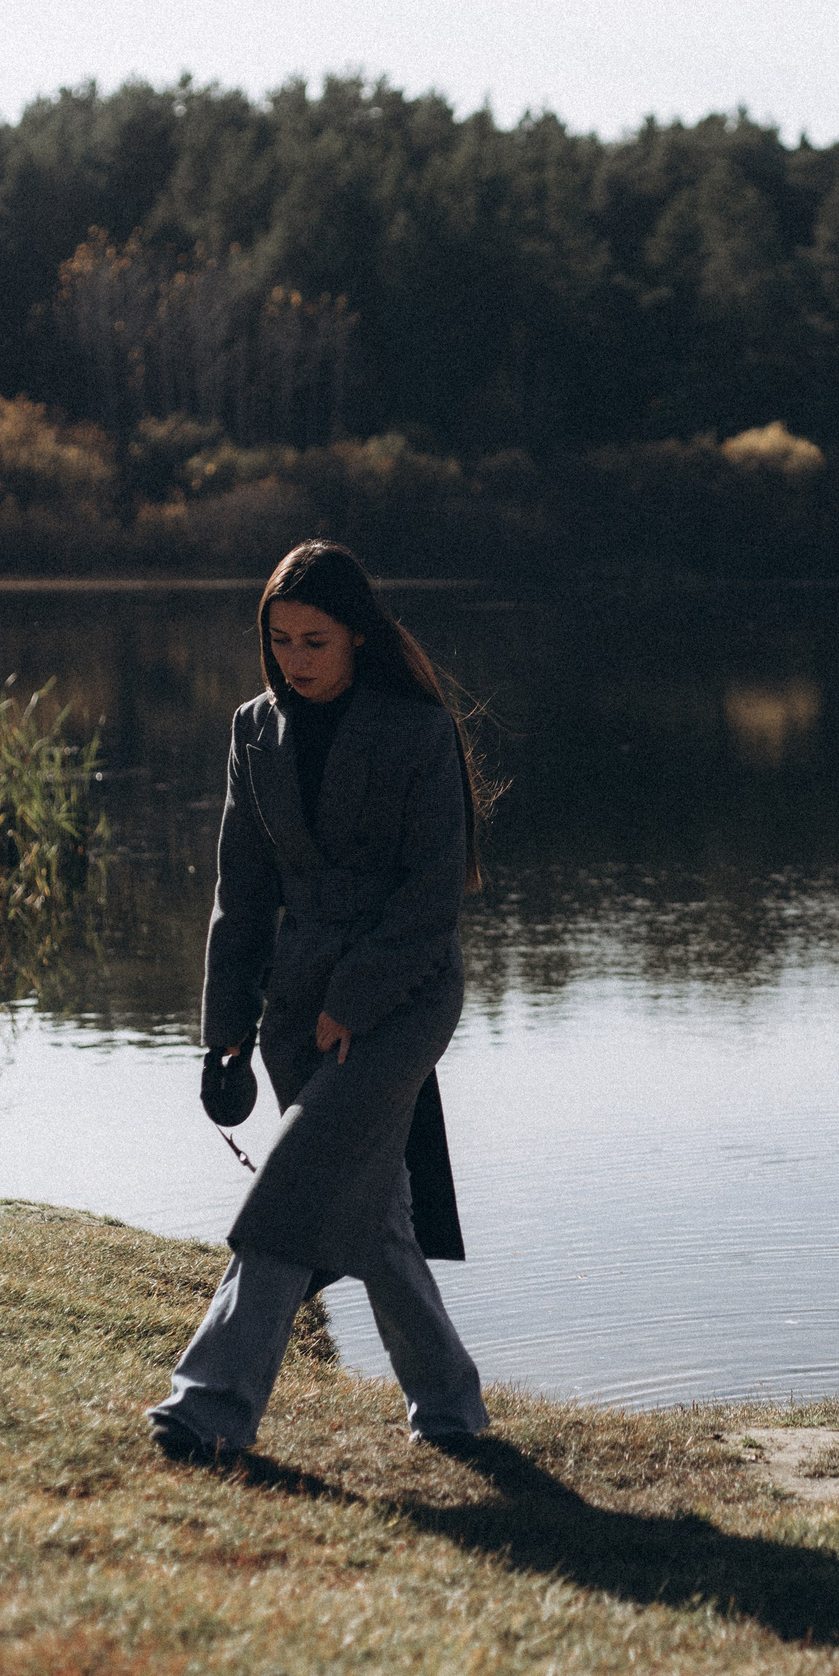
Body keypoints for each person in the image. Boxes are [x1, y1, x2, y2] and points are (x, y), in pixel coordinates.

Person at [148, 540, 494, 1460]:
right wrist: (225, 1033)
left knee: (295, 1187)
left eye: (315, 640)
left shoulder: (418, 731)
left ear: (357, 637)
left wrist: (357, 998)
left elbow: (430, 900)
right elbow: (243, 892)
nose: (296, 659)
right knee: (373, 1213)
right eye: (281, 640)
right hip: (294, 1006)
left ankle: (207, 1406)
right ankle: (452, 1408)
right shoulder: (252, 730)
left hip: (402, 998)